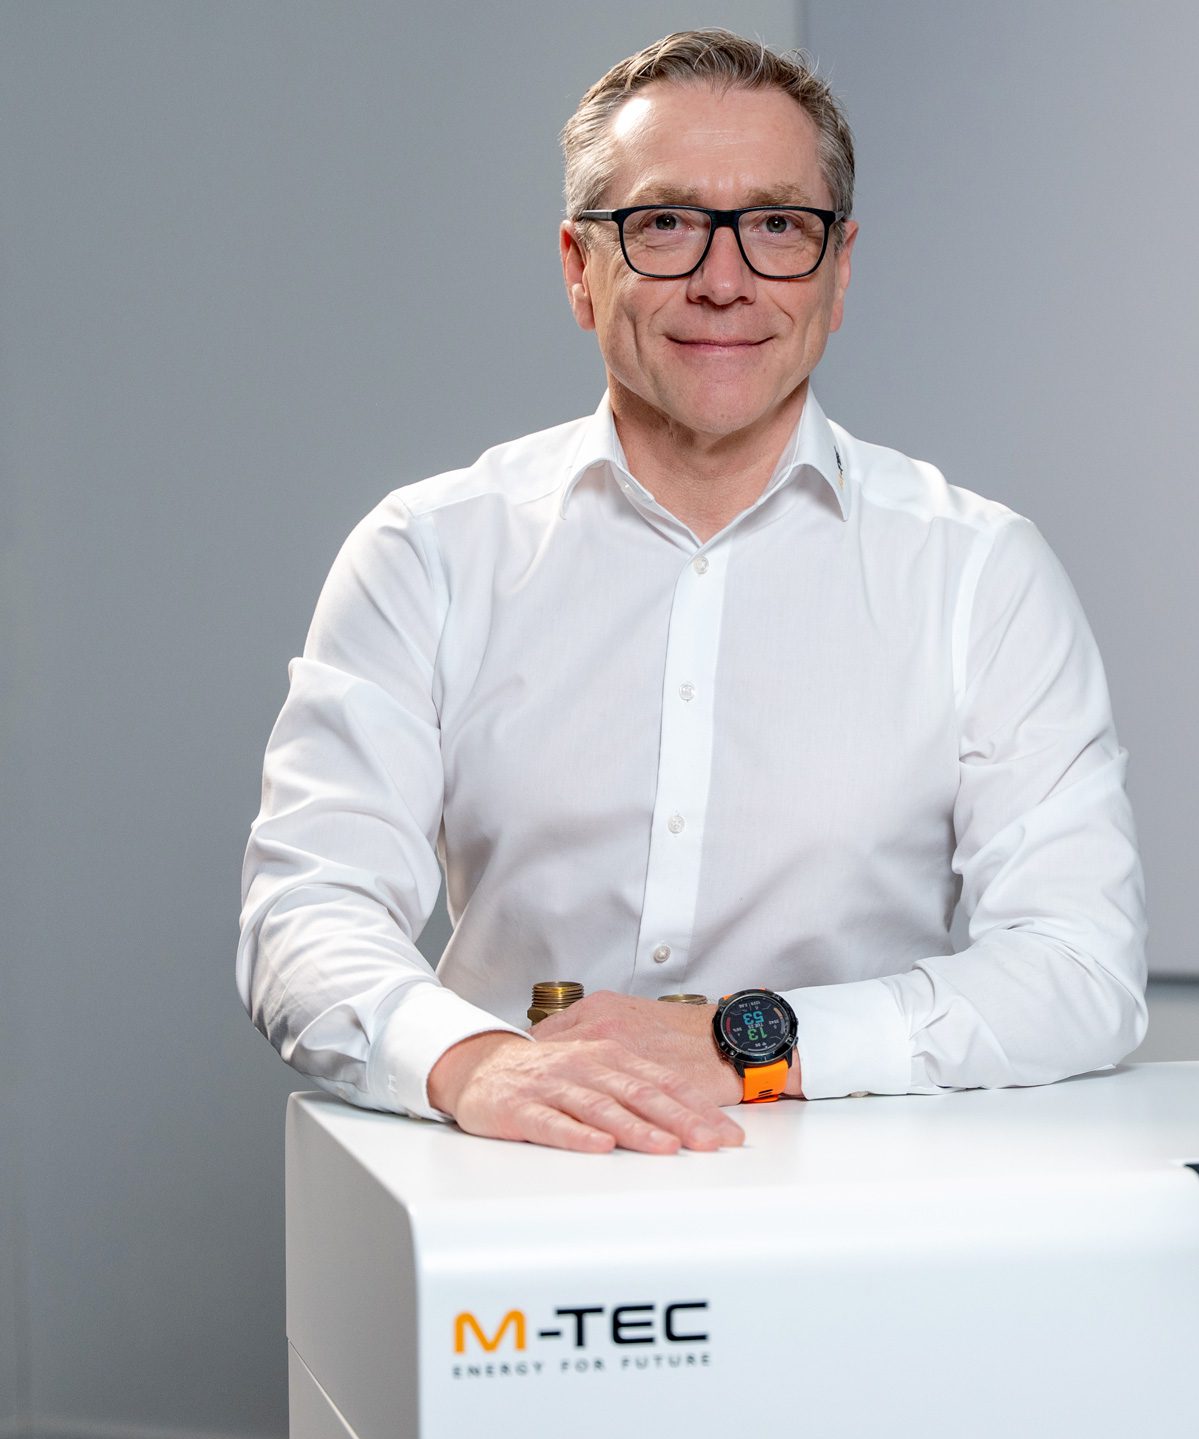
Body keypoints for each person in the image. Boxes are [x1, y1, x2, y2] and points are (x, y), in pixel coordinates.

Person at [236, 29, 1146, 1157]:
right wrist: (482, 1067)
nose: (724, 281)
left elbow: (1078, 964)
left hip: (861, 1203)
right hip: (507, 1185)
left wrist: (744, 1045)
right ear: (580, 268)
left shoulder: (981, 574)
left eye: (778, 226)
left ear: (839, 271)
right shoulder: (426, 553)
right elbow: (305, 910)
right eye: (665, 223)